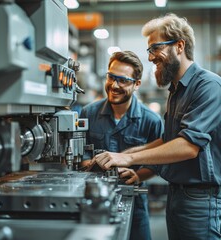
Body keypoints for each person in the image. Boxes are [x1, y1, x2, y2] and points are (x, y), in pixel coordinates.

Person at [91, 13, 221, 240]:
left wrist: (128, 159)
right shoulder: (176, 91)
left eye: (155, 49)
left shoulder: (208, 86)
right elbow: (171, 139)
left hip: (201, 201)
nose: (150, 58)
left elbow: (188, 145)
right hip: (178, 195)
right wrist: (133, 152)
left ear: (179, 46)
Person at [80, 51, 164, 240]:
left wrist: (137, 175)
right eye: (111, 77)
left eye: (123, 80)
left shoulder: (151, 121)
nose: (114, 85)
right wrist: (89, 164)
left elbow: (157, 163)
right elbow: (80, 156)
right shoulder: (88, 113)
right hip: (94, 200)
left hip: (134, 202)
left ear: (137, 84)